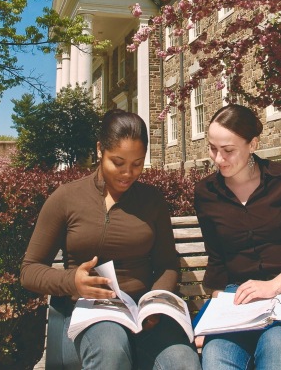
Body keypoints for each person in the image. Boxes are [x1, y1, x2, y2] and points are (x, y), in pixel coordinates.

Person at [21, 109, 201, 370]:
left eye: (137, 163)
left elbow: (167, 264)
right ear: (99, 150)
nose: (128, 173)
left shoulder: (152, 201)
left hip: (143, 315)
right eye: (117, 162)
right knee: (111, 351)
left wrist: (155, 302)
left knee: (183, 362)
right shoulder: (66, 198)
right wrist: (72, 282)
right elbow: (29, 270)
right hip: (92, 312)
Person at [194, 103, 281, 370]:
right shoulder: (206, 193)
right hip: (241, 298)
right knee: (216, 355)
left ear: (253, 145)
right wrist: (212, 320)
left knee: (277, 344)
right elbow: (217, 262)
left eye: (228, 150)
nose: (218, 159)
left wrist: (274, 286)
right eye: (212, 148)